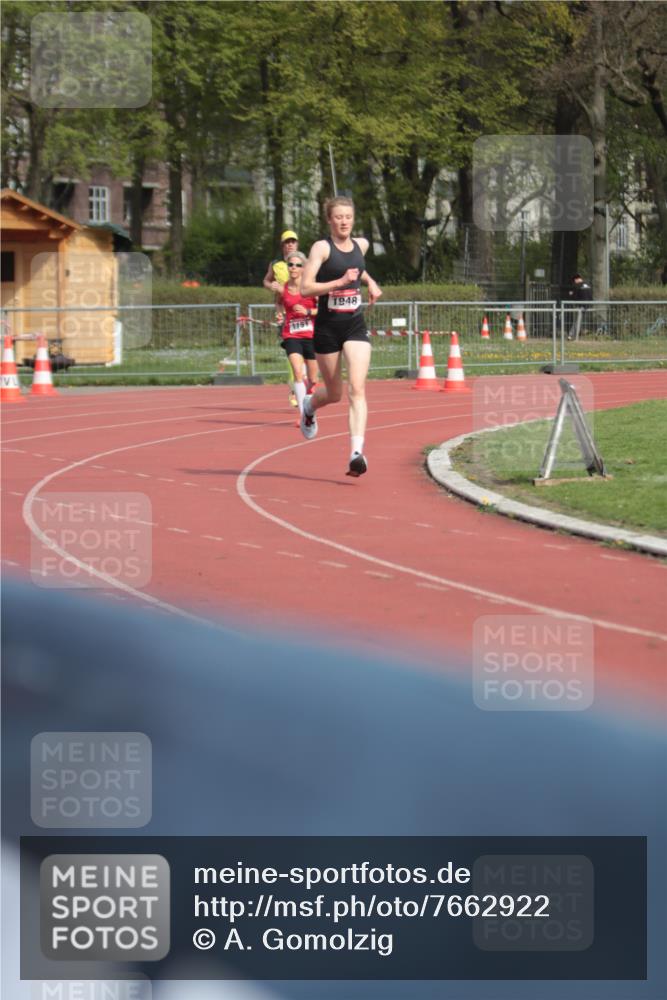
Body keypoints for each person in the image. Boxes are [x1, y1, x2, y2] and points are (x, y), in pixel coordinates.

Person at [299, 196, 382, 477]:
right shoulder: (321, 248)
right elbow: (305, 289)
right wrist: (339, 283)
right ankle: (309, 406)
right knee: (334, 393)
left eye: (348, 216)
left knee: (357, 388)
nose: (344, 221)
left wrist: (370, 282)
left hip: (354, 325)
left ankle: (356, 453)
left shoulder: (362, 244)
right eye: (338, 217)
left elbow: (358, 266)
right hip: (326, 328)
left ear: (353, 218)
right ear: (329, 220)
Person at [274, 251, 318, 418]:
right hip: (291, 335)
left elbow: (325, 311)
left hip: (311, 336)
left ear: (304, 268)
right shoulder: (283, 288)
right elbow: (278, 303)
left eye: (298, 265)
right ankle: (303, 413)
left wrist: (308, 311)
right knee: (298, 373)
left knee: (313, 379)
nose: (293, 267)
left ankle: (309, 400)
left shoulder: (311, 288)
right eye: (290, 264)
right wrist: (279, 314)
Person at [566, 272, 592, 340]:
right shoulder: (588, 285)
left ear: (576, 279)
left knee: (577, 321)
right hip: (588, 306)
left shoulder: (577, 286)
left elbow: (575, 297)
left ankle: (571, 335)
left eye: (574, 281)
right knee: (580, 321)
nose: (574, 282)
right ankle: (578, 334)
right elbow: (591, 297)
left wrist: (571, 294)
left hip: (581, 306)